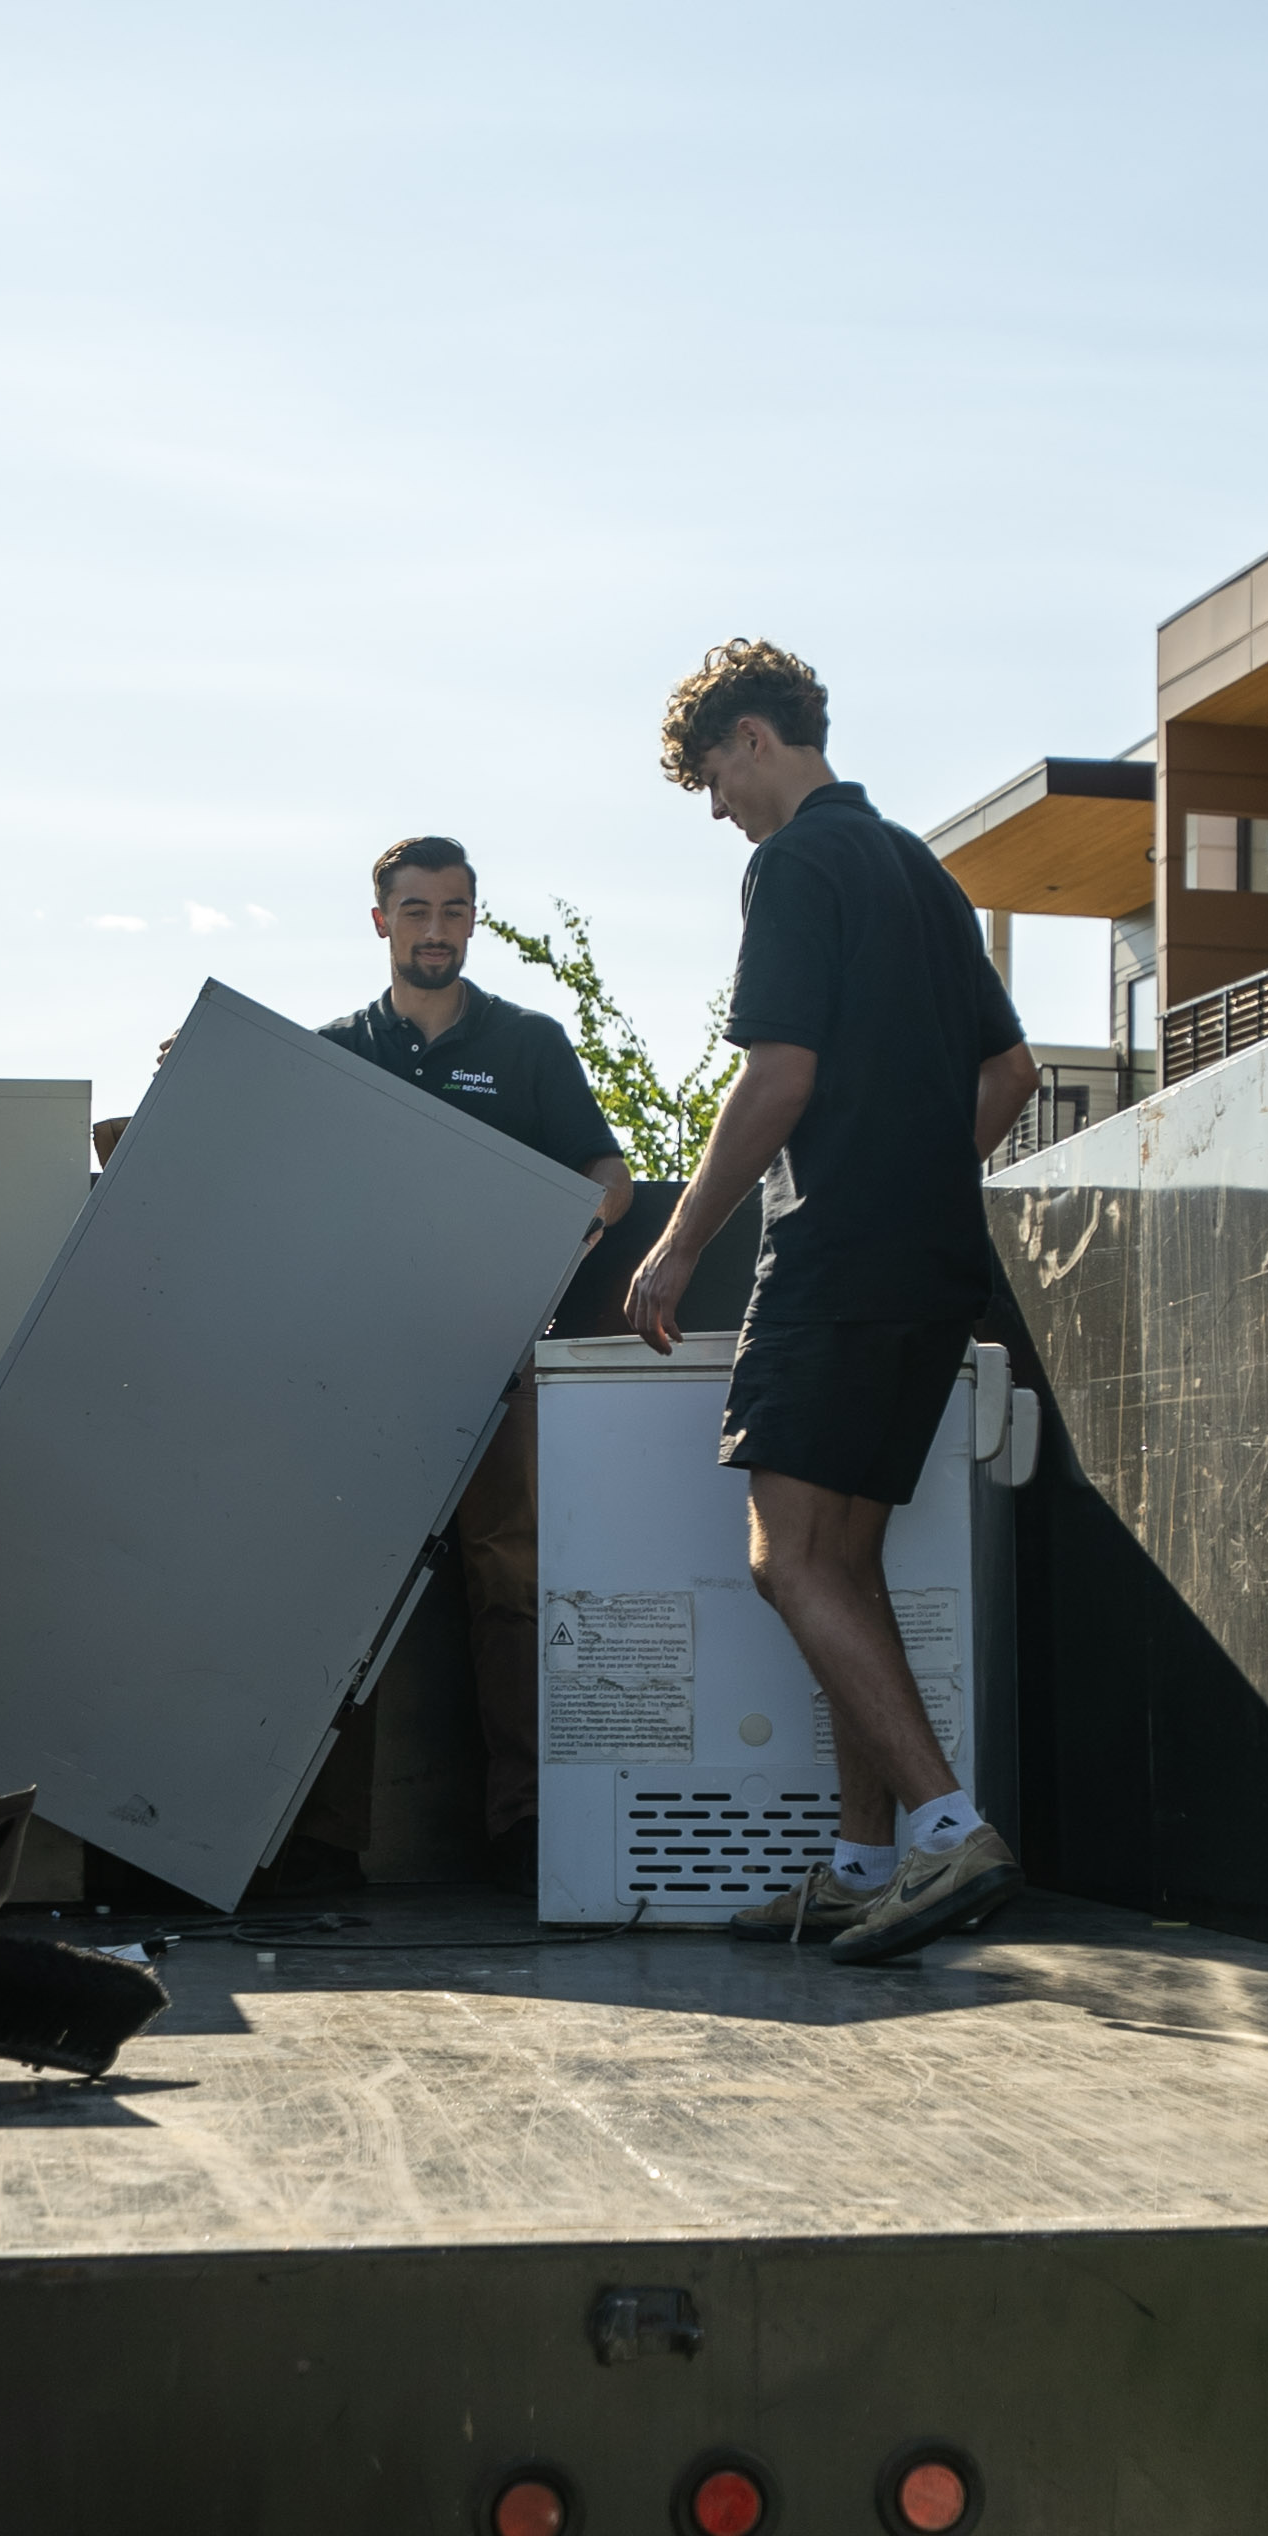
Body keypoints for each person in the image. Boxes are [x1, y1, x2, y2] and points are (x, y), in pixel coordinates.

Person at [626, 640, 1039, 1963]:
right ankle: (871, 1862)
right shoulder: (922, 870)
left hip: (837, 1261)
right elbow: (1015, 1073)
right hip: (930, 1265)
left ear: (753, 740)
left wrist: (679, 1246)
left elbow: (779, 1076)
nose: (714, 809)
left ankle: (946, 1829)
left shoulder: (795, 863)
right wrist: (913, 1181)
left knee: (785, 1560)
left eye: (709, 777)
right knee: (844, 1566)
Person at [298, 834, 630, 1895]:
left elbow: (608, 1173)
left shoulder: (528, 1043)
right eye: (415, 909)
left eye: (453, 909)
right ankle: (318, 1840)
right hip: (360, 1368)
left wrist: (565, 1234)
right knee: (340, 1590)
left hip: (497, 1353)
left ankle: (527, 1829)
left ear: (473, 920)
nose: (435, 928)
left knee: (514, 1584)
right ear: (380, 921)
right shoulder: (334, 1050)